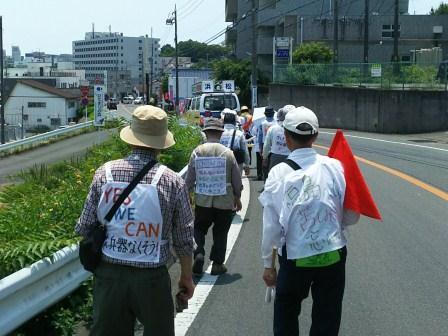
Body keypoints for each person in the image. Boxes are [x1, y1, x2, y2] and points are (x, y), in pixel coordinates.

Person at [76, 106, 195, 336]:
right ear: (161, 142)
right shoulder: (171, 181)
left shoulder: (105, 173)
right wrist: (186, 277)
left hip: (110, 275)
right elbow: (184, 238)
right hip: (151, 279)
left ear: (131, 138)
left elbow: (85, 225)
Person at [259, 106, 359, 336]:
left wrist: (268, 264)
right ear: (315, 136)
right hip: (333, 254)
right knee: (327, 315)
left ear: (285, 137)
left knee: (286, 310)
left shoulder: (278, 172)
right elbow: (351, 215)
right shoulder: (335, 167)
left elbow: (271, 226)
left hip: (296, 257)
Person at [185, 118, 243, 276]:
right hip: (224, 201)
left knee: (199, 228)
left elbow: (189, 179)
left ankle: (198, 254)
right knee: (221, 232)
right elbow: (236, 180)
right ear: (220, 133)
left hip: (203, 200)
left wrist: (187, 195)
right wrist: (237, 197)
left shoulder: (197, 152)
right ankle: (217, 264)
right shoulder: (228, 153)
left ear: (205, 133)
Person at [262, 104, 295, 172]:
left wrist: (265, 157)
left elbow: (266, 145)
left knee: (274, 177)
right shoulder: (295, 129)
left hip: (275, 157)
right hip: (292, 157)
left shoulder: (273, 128)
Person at [219, 110, 250, 176]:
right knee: (236, 183)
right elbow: (245, 150)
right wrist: (246, 165)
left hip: (221, 162)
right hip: (236, 161)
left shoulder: (219, 133)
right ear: (234, 122)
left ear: (224, 122)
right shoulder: (239, 134)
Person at [258, 106, 275, 180]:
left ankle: (266, 181)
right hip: (275, 147)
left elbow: (260, 137)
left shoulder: (262, 124)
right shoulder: (276, 123)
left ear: (265, 114)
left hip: (265, 146)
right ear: (273, 114)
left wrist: (260, 148)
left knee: (265, 165)